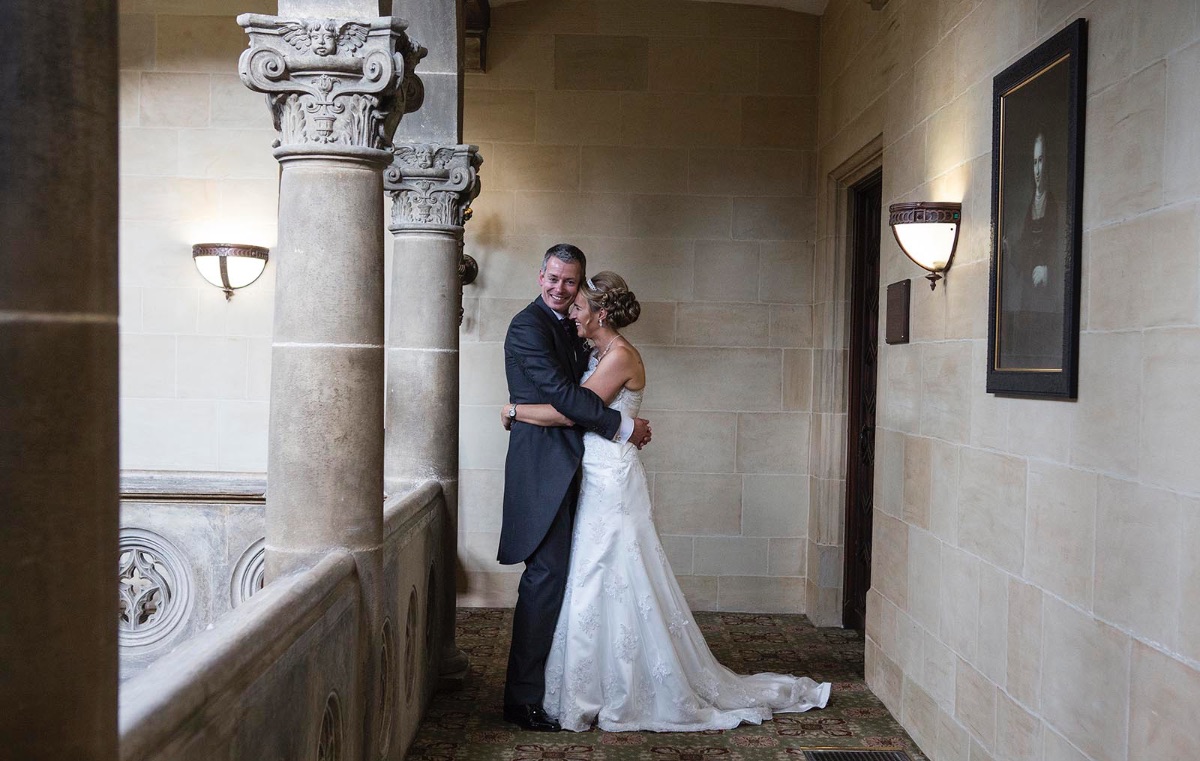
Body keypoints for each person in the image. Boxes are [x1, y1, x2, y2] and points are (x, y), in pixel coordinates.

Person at [501, 272, 831, 732]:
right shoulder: (597, 351)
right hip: (594, 472)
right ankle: (589, 680)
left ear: (599, 313)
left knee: (608, 572)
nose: (570, 313)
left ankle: (616, 685)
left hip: (610, 478)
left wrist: (515, 411)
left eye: (577, 307)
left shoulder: (620, 356)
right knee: (592, 575)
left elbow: (574, 411)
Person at [499, 245, 653, 733]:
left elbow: (576, 399)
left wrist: (514, 410)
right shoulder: (527, 327)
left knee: (578, 581)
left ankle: (570, 685)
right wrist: (622, 426)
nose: (561, 289)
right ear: (539, 273)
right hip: (545, 471)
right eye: (554, 278)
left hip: (585, 473)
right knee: (545, 580)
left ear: (582, 285)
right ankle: (522, 700)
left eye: (571, 283)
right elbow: (566, 400)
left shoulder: (583, 330)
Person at [1000, 131, 1066, 368]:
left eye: (1042, 162)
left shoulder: (1056, 206)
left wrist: (1049, 272)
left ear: (1048, 164)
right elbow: (1026, 256)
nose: (1037, 169)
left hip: (1048, 301)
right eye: (1034, 163)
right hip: (1029, 299)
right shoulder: (1030, 207)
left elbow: (1063, 250)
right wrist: (1010, 250)